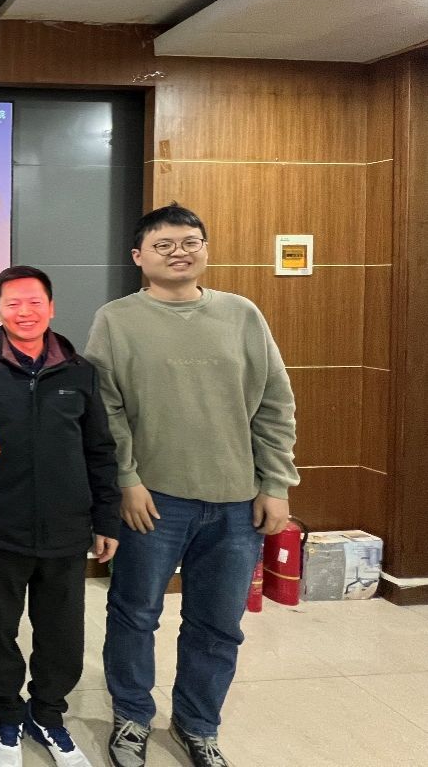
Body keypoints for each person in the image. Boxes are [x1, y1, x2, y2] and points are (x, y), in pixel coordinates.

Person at [85, 204, 298, 767]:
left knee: (217, 625)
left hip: (236, 502)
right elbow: (106, 409)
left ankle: (198, 724)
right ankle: (132, 716)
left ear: (204, 248)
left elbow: (275, 404)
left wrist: (276, 482)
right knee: (134, 614)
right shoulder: (116, 320)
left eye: (190, 242)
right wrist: (126, 479)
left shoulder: (241, 314)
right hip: (152, 500)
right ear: (139, 257)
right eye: (164, 245)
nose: (179, 252)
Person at [0, 265, 119, 767]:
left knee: (62, 631)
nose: (25, 312)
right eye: (13, 304)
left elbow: (99, 449)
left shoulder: (80, 371)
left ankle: (48, 713)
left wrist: (106, 519)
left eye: (34, 302)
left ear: (52, 307)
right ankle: (6, 712)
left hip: (68, 526)